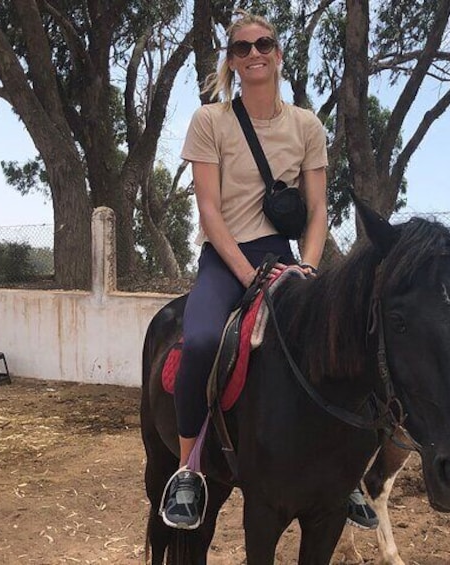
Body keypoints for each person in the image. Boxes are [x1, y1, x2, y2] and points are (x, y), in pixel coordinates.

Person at [160, 11, 377, 532]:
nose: (254, 53)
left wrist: (306, 265)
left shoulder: (306, 126)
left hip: (286, 258)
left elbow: (319, 209)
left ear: (279, 54)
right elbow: (209, 212)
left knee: (344, 342)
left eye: (264, 44)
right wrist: (246, 272)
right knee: (205, 339)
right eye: (241, 48)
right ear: (231, 62)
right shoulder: (209, 121)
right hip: (225, 256)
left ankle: (347, 472)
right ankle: (189, 468)